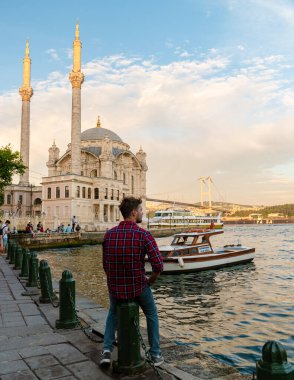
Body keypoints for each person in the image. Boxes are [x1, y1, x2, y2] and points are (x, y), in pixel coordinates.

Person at [100, 197, 164, 367]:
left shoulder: (109, 234)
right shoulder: (144, 235)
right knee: (151, 314)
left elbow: (105, 265)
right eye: (141, 210)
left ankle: (106, 351)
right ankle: (155, 354)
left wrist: (115, 281)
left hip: (115, 287)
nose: (142, 213)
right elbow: (158, 265)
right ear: (134, 212)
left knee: (112, 313)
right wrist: (150, 281)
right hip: (138, 286)